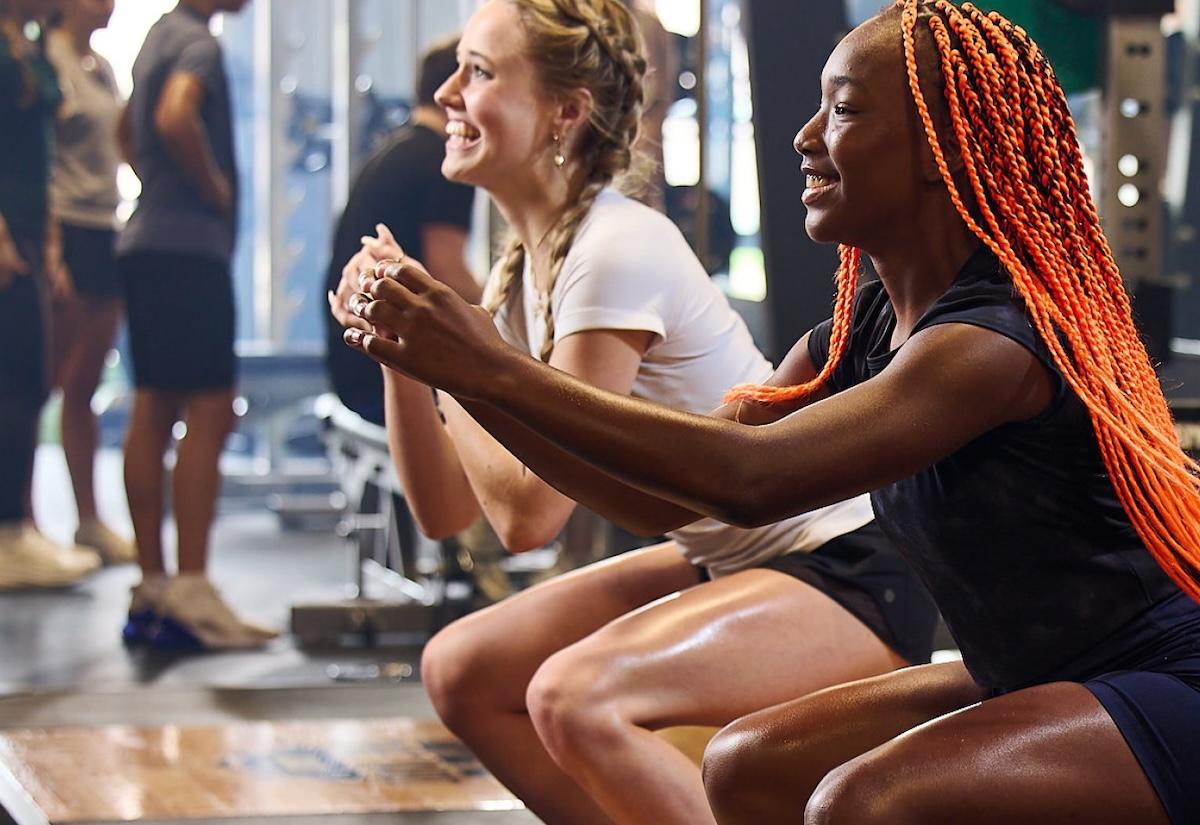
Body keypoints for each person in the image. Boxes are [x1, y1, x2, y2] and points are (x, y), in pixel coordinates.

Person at [343, 0, 1200, 822]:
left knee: (862, 802)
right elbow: (672, 495)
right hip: (1026, 665)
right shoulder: (862, 325)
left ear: (944, 151)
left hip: (1158, 675)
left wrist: (481, 366)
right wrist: (451, 368)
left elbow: (752, 480)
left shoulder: (990, 341)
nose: (805, 138)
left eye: (845, 111)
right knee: (745, 765)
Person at [331, 2, 938, 823]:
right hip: (726, 554)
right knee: (462, 666)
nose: (446, 92)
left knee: (573, 697)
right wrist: (403, 356)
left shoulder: (616, 247)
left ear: (564, 113)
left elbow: (528, 516)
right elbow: (444, 513)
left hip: (846, 565)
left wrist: (452, 354)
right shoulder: (518, 279)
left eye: (479, 70)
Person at [115, 0, 273, 649]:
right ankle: (192, 587)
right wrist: (212, 188)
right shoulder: (199, 46)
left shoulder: (160, 34)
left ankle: (154, 584)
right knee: (209, 407)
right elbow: (174, 115)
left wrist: (156, 182)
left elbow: (127, 131)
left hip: (146, 242)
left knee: (152, 405)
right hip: (187, 248)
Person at [324, 37, 478, 427]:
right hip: (383, 372)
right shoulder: (445, 161)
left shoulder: (393, 150)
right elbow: (448, 271)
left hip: (350, 364)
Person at [0, 0, 102, 590]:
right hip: (9, 236)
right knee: (14, 381)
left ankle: (17, 528)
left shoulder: (29, 43)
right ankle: (8, 530)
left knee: (31, 381)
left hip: (36, 232)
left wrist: (52, 242)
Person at [46, 0, 135, 566]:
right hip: (65, 230)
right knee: (46, 383)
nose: (107, 4)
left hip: (106, 228)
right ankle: (24, 521)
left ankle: (89, 521)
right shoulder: (47, 62)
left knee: (83, 386)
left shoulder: (100, 66)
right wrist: (51, 249)